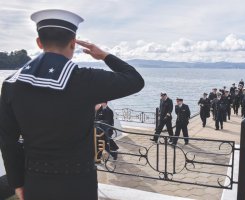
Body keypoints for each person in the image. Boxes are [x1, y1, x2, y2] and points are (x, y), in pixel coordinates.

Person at [0, 9, 144, 200]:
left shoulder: (11, 84)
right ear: (73, 42)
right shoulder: (86, 79)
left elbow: (8, 141)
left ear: (39, 42)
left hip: (35, 180)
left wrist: (17, 182)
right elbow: (135, 80)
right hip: (78, 183)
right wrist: (104, 56)